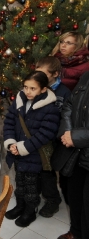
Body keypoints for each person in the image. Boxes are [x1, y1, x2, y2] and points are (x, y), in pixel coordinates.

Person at [3, 71, 60, 227]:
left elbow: (46, 133)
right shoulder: (19, 101)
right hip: (17, 152)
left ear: (43, 89)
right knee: (19, 181)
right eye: (26, 87)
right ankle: (20, 205)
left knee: (31, 185)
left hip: (34, 154)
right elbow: (9, 122)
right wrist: (11, 143)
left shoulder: (50, 108)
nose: (27, 91)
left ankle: (30, 210)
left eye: (33, 88)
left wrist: (23, 147)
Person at [35, 56, 71, 218]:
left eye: (43, 74)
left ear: (55, 74)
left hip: (53, 139)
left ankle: (52, 200)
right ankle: (34, 194)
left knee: (46, 171)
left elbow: (66, 118)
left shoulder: (63, 93)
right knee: (35, 168)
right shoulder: (38, 88)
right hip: (37, 136)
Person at [56, 71, 89, 239]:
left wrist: (76, 137)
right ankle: (75, 232)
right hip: (77, 154)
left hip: (82, 146)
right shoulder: (86, 76)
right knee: (73, 196)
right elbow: (69, 105)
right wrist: (68, 131)